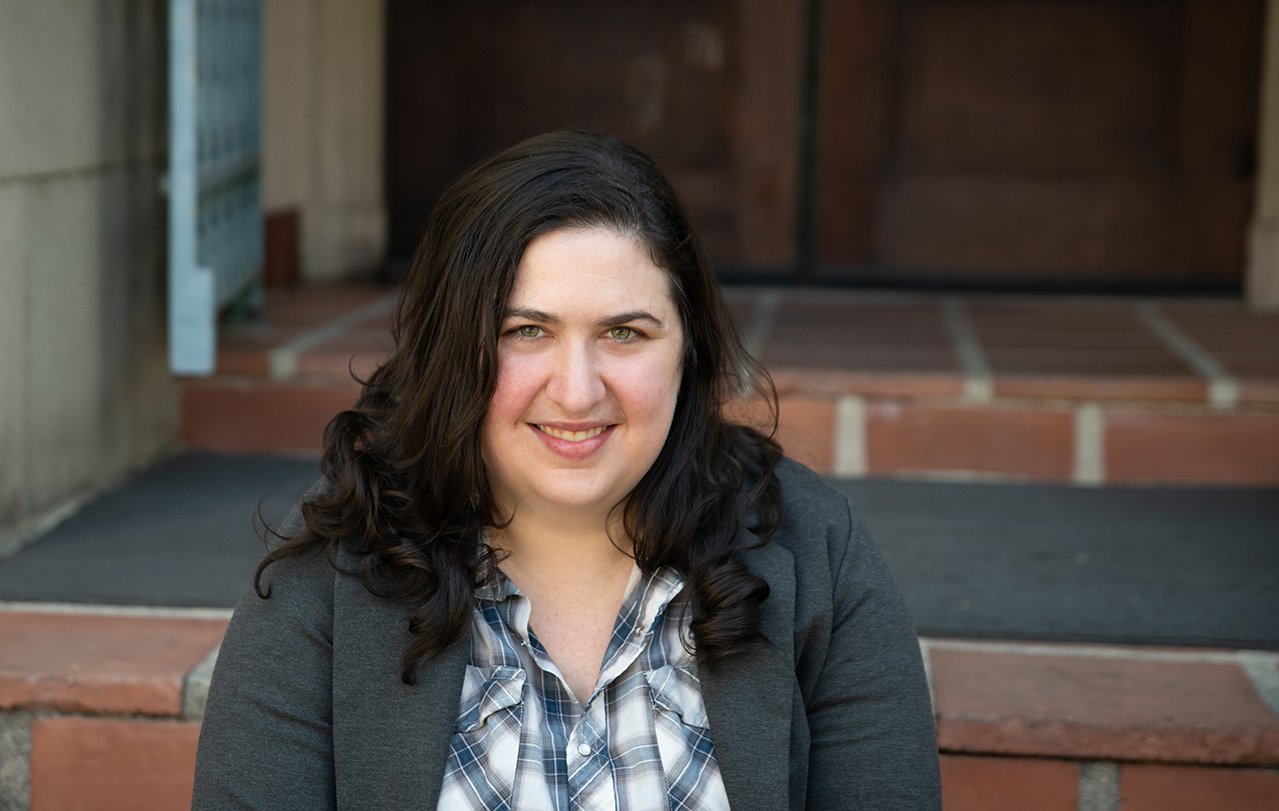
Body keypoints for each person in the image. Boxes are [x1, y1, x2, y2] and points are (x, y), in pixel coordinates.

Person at [192, 130, 940, 810]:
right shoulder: (335, 566)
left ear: (690, 347)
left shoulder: (816, 548)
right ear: (454, 349)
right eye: (527, 330)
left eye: (623, 332)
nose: (578, 390)